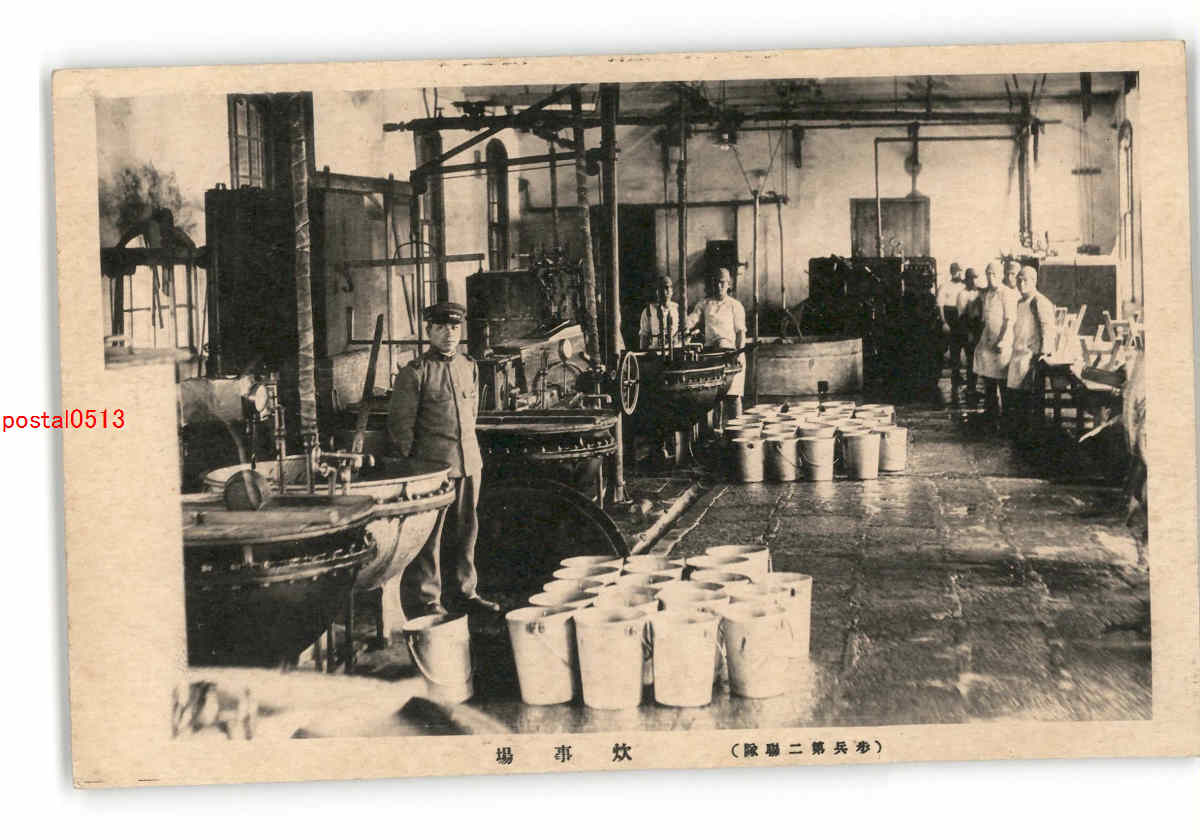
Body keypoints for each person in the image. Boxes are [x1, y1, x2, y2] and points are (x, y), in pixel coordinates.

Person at [388, 301, 499, 616]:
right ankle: (428, 600)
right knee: (429, 538)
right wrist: (417, 471)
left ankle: (465, 593)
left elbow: (470, 416)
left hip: (469, 464)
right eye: (440, 328)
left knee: (466, 532)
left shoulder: (468, 366)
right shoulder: (415, 372)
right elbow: (400, 429)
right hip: (434, 470)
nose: (449, 333)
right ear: (429, 331)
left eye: (454, 327)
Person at [688, 267, 747, 421]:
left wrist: (739, 354)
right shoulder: (705, 304)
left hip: (731, 355)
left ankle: (736, 431)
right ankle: (715, 432)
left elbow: (740, 333)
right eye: (716, 283)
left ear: (729, 284)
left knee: (733, 397)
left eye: (722, 283)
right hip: (712, 357)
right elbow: (693, 318)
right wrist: (683, 325)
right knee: (712, 399)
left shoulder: (735, 305)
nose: (719, 286)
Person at [1006, 266, 1057, 437]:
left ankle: (1032, 438)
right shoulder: (1020, 303)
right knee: (1017, 400)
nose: (1021, 283)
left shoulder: (1040, 302)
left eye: (1025, 280)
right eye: (1019, 279)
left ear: (1034, 281)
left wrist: (1042, 354)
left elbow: (1048, 330)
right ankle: (1021, 435)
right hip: (1017, 356)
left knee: (1031, 402)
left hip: (1030, 359)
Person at [972, 261, 1019, 424]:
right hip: (988, 343)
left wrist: (1002, 341)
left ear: (1000, 275)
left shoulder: (1007, 293)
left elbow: (1009, 320)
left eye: (993, 274)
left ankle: (1007, 416)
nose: (990, 277)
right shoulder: (989, 294)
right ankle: (991, 414)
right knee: (988, 380)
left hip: (1001, 346)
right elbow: (986, 320)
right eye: (988, 274)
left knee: (1003, 382)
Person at [950, 267, 981, 403]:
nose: (973, 281)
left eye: (975, 278)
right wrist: (968, 332)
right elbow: (961, 316)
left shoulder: (979, 292)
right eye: (970, 278)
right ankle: (968, 389)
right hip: (966, 327)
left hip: (977, 327)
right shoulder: (962, 294)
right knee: (969, 360)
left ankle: (973, 387)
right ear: (966, 280)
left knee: (975, 360)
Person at [638, 273, 684, 350]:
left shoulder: (678, 309)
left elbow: (685, 332)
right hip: (656, 351)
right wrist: (643, 355)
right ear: (656, 291)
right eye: (660, 288)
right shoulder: (648, 311)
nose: (664, 292)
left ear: (672, 291)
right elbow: (644, 336)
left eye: (667, 288)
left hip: (676, 351)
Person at [937, 262, 965, 376]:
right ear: (952, 272)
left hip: (960, 317)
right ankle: (938, 373)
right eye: (956, 271)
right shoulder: (944, 286)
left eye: (960, 271)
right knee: (944, 347)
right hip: (948, 316)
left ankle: (956, 374)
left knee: (957, 347)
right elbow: (940, 305)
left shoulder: (964, 286)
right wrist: (944, 322)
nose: (959, 274)